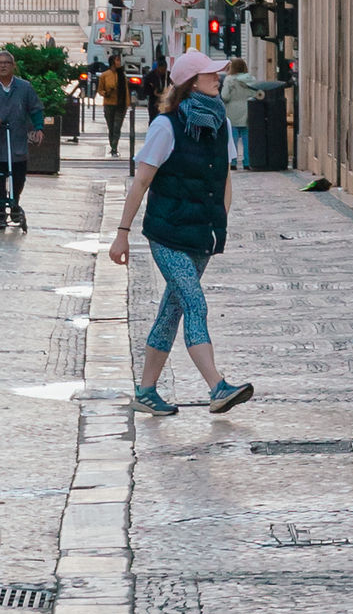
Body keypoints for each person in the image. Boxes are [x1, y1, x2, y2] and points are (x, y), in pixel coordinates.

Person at [108, 48, 253, 417]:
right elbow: (141, 182)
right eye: (210, 75)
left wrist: (219, 222)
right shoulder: (166, 127)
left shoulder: (220, 124)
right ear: (191, 84)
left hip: (201, 235)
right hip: (167, 234)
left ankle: (146, 391)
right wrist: (122, 233)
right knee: (194, 303)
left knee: (171, 311)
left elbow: (225, 179)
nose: (217, 78)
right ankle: (217, 387)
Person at [0, 47, 43, 232]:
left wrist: (38, 128)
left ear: (13, 66)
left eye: (6, 63)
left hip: (17, 142)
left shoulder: (25, 87)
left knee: (18, 178)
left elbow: (36, 109)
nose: (3, 66)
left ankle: (14, 203)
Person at [219, 55, 255, 168]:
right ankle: (247, 162)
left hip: (232, 112)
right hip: (248, 110)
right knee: (247, 139)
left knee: (232, 139)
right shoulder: (251, 79)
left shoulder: (229, 79)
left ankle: (233, 162)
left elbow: (225, 96)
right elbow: (255, 94)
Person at [96, 57, 128, 156]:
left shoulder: (122, 75)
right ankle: (112, 145)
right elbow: (100, 90)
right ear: (112, 63)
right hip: (109, 104)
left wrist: (127, 103)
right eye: (117, 60)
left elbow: (126, 90)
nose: (119, 62)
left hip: (120, 104)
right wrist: (106, 93)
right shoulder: (105, 75)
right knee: (111, 127)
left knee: (117, 127)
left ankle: (114, 147)